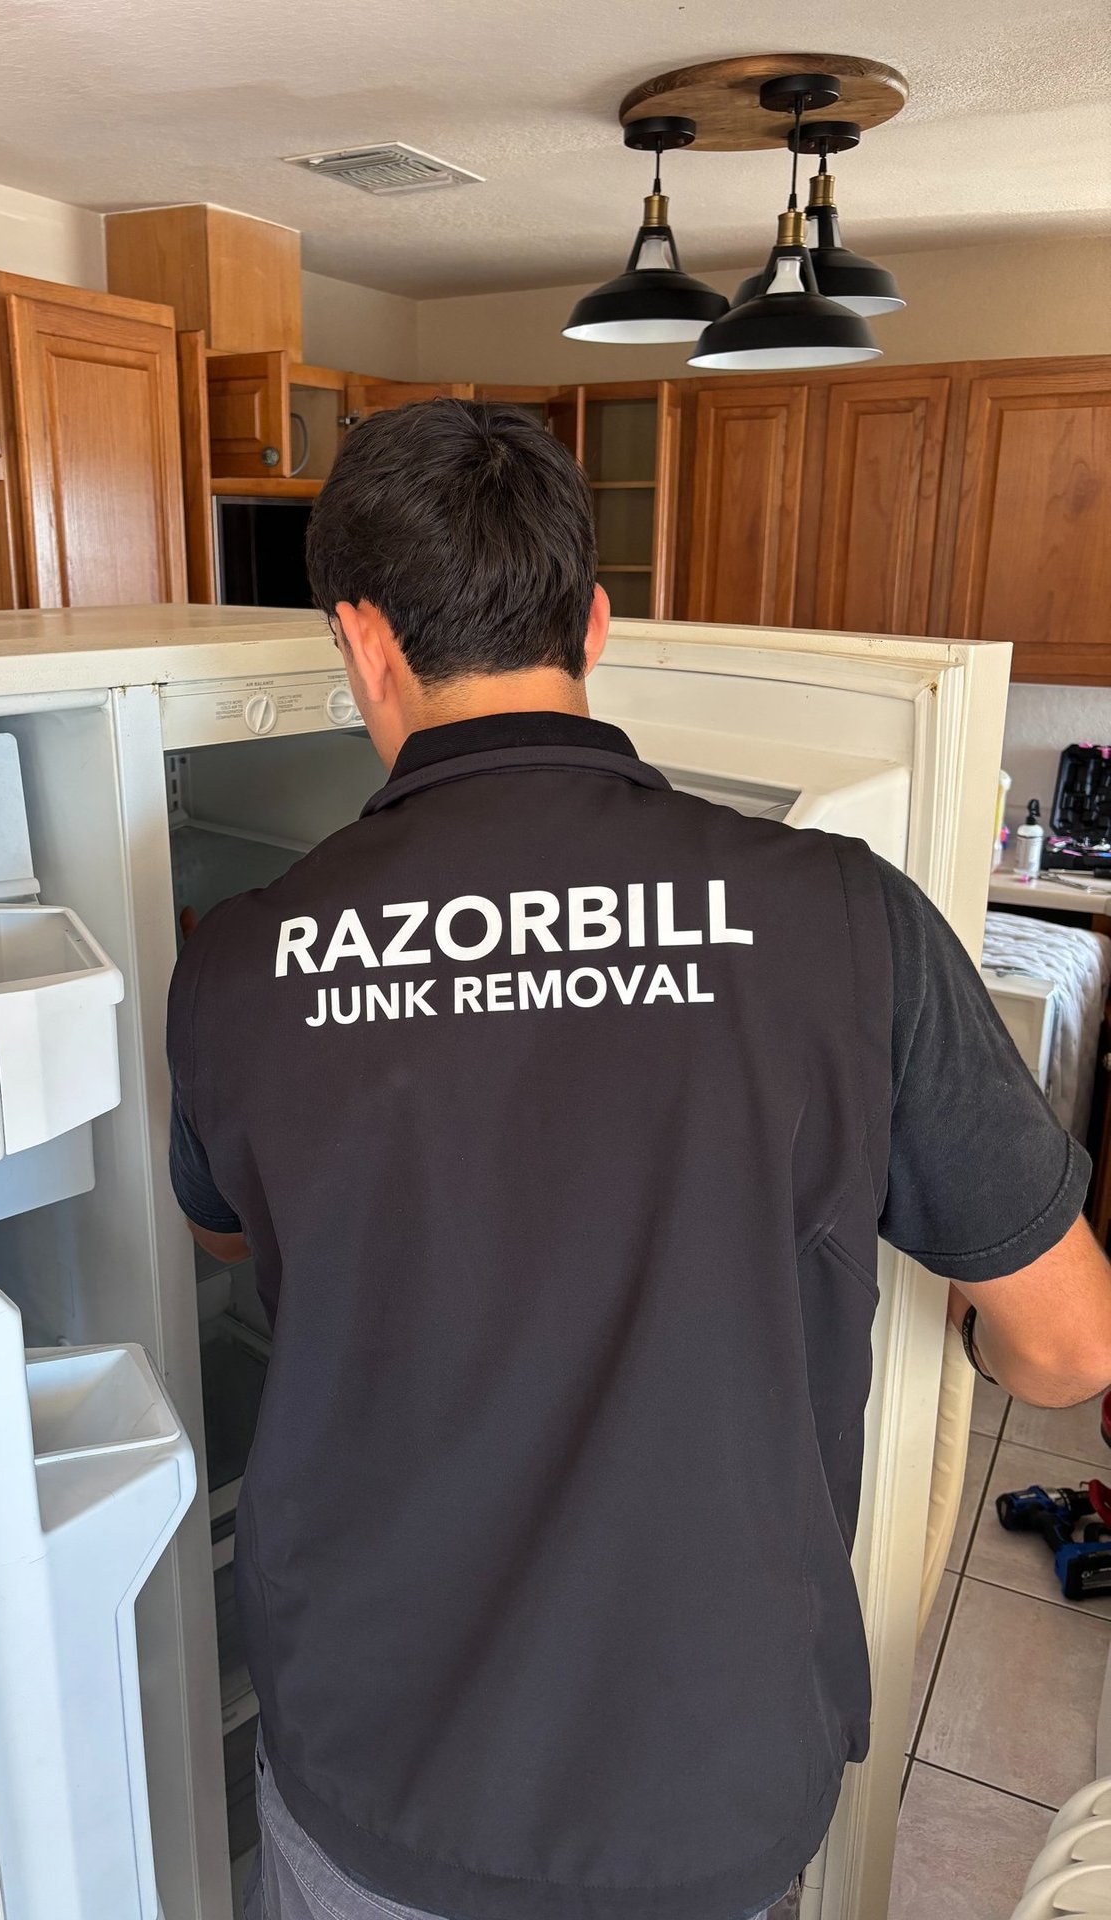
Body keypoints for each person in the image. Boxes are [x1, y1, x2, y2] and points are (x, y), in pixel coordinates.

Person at [166, 401, 1111, 1920]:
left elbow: (225, 1239)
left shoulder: (243, 965)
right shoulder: (841, 920)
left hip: (372, 1763)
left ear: (360, 638)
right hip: (699, 1783)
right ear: (594, 624)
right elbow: (1069, 1345)